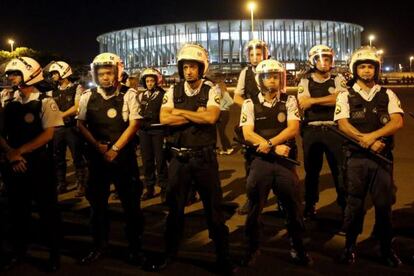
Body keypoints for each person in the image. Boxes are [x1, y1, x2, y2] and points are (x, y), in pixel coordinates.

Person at [145, 43, 236, 274]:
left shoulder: (211, 89)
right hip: (178, 159)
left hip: (204, 158)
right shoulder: (172, 91)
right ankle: (169, 253)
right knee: (174, 210)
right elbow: (165, 119)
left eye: (193, 67)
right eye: (185, 67)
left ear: (201, 68)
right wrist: (196, 114)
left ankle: (223, 258)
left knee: (213, 211)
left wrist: (182, 112)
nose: (189, 71)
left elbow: (211, 117)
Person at [334, 46, 403, 267]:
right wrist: (363, 140)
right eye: (362, 66)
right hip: (356, 159)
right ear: (355, 70)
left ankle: (386, 249)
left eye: (370, 67)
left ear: (376, 70)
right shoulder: (346, 94)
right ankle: (349, 247)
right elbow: (343, 124)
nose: (366, 71)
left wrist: (372, 137)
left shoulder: (387, 94)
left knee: (384, 205)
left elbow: (397, 121)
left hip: (381, 159)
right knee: (354, 205)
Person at [239, 59, 312, 266]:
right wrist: (271, 147)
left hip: (284, 161)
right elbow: (247, 133)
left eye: (275, 76)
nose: (272, 80)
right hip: (260, 161)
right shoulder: (249, 103)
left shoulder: (289, 101)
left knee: (293, 207)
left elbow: (292, 129)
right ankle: (252, 248)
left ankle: (298, 247)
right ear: (259, 79)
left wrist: (269, 143)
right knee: (254, 207)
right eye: (267, 76)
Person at [77, 53, 145, 266]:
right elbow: (80, 124)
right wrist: (97, 146)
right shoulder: (88, 96)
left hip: (122, 159)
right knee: (97, 207)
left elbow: (134, 125)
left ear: (117, 72)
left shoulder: (129, 94)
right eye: (101, 73)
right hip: (98, 160)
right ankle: (99, 246)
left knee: (131, 207)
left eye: (108, 73)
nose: (105, 77)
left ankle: (135, 249)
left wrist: (115, 148)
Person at [0, 57, 63, 271]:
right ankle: (19, 252)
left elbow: (48, 134)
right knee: (17, 211)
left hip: (39, 164)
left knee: (48, 211)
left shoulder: (46, 101)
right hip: (14, 163)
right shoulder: (8, 101)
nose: (10, 77)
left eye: (15, 73)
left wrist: (20, 151)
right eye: (9, 74)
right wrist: (11, 154)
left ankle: (54, 255)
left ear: (30, 73)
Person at [297, 45, 348, 218]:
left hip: (335, 130)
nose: (324, 62)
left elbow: (341, 98)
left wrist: (314, 101)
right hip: (312, 130)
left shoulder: (338, 77)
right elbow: (303, 102)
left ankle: (344, 205)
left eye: (327, 58)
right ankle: (310, 204)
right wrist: (327, 100)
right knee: (312, 171)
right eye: (320, 59)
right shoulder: (305, 80)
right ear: (312, 60)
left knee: (339, 170)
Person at [234, 39, 270, 215]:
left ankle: (282, 201)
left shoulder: (274, 68)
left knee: (279, 161)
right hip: (252, 122)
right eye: (252, 54)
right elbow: (237, 96)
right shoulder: (245, 72)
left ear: (265, 54)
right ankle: (252, 199)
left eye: (259, 54)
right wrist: (250, 108)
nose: (255, 57)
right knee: (250, 162)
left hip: (272, 120)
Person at [47, 61, 87, 196]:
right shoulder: (52, 91)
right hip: (57, 129)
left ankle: (81, 184)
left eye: (54, 73)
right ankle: (61, 183)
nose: (52, 76)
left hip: (71, 128)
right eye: (52, 74)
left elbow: (77, 107)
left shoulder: (77, 88)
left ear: (64, 72)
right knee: (58, 157)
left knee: (77, 157)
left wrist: (59, 116)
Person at [138, 67, 168, 202]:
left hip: (158, 130)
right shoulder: (141, 95)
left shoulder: (163, 95)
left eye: (151, 81)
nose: (149, 83)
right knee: (147, 161)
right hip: (144, 132)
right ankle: (149, 187)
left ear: (156, 81)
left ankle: (164, 188)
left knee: (160, 160)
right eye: (147, 81)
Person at [217, 81, 234, 155]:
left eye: (217, 87)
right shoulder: (220, 94)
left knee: (222, 132)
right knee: (221, 132)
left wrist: (224, 106)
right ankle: (225, 148)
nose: (216, 88)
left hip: (224, 113)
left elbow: (231, 102)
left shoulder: (225, 93)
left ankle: (229, 148)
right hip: (220, 113)